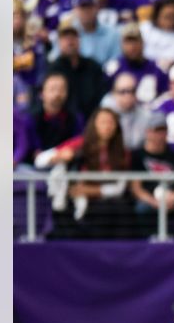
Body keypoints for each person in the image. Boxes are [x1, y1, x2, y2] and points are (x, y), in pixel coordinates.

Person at [58, 107, 134, 239]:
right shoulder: (80, 144)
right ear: (94, 124)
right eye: (103, 122)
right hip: (81, 202)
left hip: (110, 204)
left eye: (111, 122)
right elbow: (42, 160)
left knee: (117, 208)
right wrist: (58, 156)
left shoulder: (123, 152)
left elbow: (119, 188)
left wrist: (90, 190)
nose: (107, 126)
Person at [46, 22, 110, 118]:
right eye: (65, 38)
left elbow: (103, 93)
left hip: (93, 118)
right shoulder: (53, 69)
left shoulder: (93, 66)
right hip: (64, 122)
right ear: (59, 43)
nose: (70, 41)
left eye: (73, 37)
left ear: (79, 41)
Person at [105, 23, 170, 105]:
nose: (132, 47)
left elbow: (166, 96)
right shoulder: (113, 68)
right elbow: (106, 98)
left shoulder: (156, 68)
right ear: (122, 45)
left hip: (150, 113)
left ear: (142, 43)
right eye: (128, 42)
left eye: (135, 41)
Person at [54, 0, 122, 67]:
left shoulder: (112, 33)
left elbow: (116, 61)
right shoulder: (67, 32)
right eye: (82, 7)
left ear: (97, 8)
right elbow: (55, 59)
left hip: (105, 76)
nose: (86, 11)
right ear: (75, 10)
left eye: (89, 7)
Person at [29, 73, 83, 158]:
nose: (57, 93)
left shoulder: (75, 118)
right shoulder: (30, 118)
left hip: (66, 164)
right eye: (52, 89)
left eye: (62, 89)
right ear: (42, 93)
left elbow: (78, 141)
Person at [100, 72, 154, 149]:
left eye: (132, 91)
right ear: (114, 93)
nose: (128, 95)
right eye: (123, 91)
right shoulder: (105, 112)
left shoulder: (145, 115)